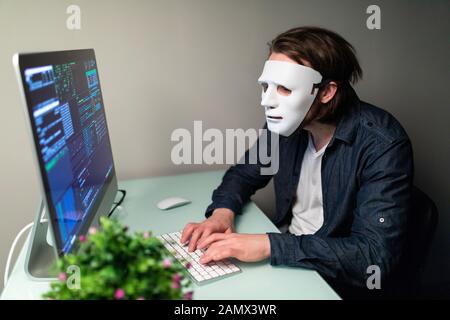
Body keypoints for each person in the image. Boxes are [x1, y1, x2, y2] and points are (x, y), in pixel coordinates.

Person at [181, 26, 413, 297]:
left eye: (284, 88)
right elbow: (245, 173)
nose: (268, 101)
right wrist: (222, 213)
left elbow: (373, 257)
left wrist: (269, 246)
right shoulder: (285, 124)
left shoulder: (382, 144)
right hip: (289, 254)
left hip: (333, 280)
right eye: (267, 87)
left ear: (326, 92)